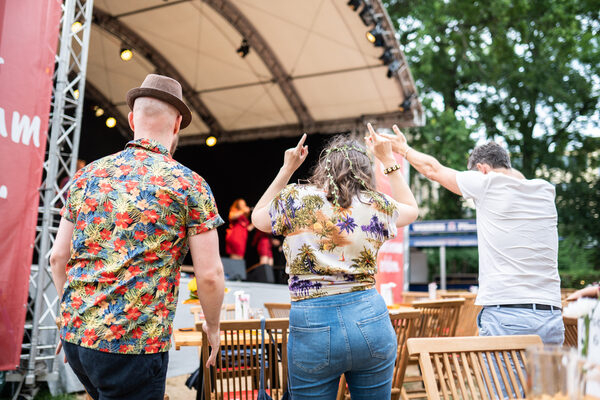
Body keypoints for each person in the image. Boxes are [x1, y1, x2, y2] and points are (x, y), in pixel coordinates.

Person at [50, 74, 225, 400]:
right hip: (134, 346)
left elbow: (57, 257)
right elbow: (211, 275)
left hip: (77, 338)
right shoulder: (190, 185)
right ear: (176, 126)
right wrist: (213, 328)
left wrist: (68, 318)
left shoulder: (88, 174)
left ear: (132, 119)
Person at [251, 125, 419, 400]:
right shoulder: (376, 204)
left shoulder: (296, 199)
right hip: (370, 316)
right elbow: (411, 209)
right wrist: (388, 160)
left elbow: (258, 217)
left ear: (323, 166)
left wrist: (288, 168)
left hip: (312, 320)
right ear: (365, 170)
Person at [381, 124, 564, 344]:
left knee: (502, 381)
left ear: (482, 168)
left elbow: (433, 170)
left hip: (508, 316)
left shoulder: (488, 182)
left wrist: (403, 149)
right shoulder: (545, 191)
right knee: (547, 380)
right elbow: (518, 178)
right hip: (551, 315)